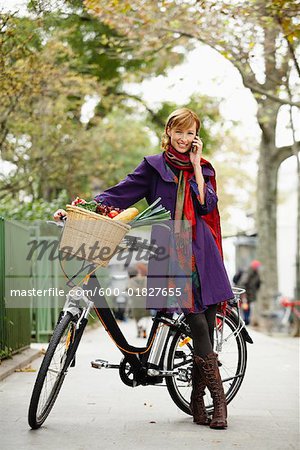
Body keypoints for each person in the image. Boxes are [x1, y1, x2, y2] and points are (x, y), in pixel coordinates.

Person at [54, 108, 234, 429]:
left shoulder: (203, 169)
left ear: (196, 137)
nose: (183, 138)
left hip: (202, 250)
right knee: (198, 325)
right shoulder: (154, 166)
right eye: (178, 132)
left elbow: (207, 205)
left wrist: (195, 165)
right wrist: (82, 209)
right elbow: (121, 193)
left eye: (190, 133)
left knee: (204, 322)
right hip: (171, 247)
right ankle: (219, 405)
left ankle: (197, 402)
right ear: (169, 132)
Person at [126, 263, 151, 338]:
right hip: (145, 301)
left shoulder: (130, 281)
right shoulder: (145, 279)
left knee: (137, 317)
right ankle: (144, 329)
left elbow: (128, 289)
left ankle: (139, 329)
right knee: (145, 317)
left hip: (135, 302)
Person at [239, 260, 261, 325]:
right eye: (257, 266)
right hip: (246, 293)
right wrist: (243, 294)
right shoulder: (248, 272)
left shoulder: (256, 273)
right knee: (245, 306)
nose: (258, 268)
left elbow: (258, 283)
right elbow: (243, 283)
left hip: (251, 293)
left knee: (248, 307)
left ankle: (247, 320)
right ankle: (245, 320)